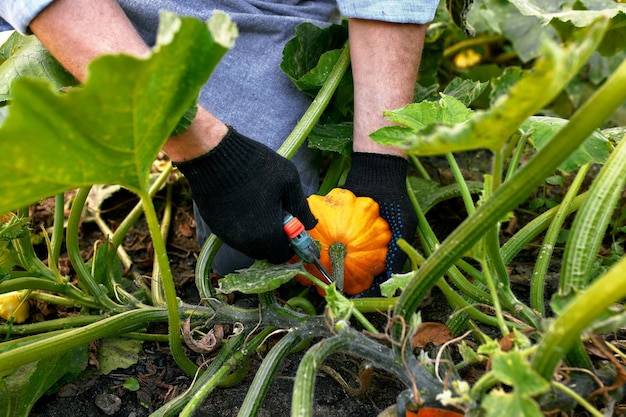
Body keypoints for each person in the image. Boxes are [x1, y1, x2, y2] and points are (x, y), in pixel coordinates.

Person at [0, 1, 437, 295]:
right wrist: (208, 152)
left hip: (257, 8)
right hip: (77, 12)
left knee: (251, 253)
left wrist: (380, 158)